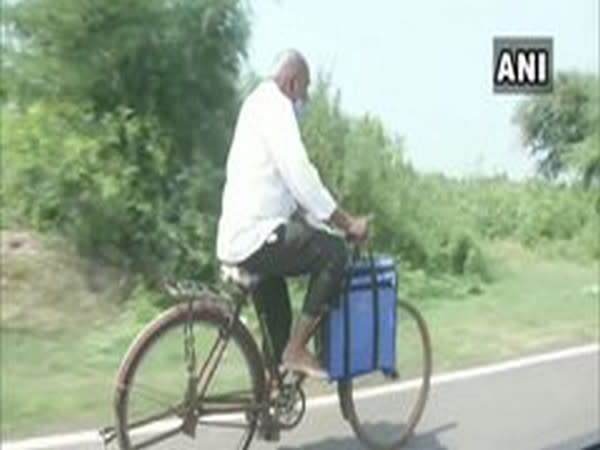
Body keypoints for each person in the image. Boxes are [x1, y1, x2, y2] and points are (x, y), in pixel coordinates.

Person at [216, 49, 369, 379]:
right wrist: (347, 223)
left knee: (279, 324)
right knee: (334, 254)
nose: (306, 99)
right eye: (305, 89)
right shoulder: (276, 107)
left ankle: (269, 396)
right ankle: (298, 349)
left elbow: (291, 195)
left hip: (244, 236)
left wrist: (325, 220)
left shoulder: (256, 104)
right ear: (291, 81)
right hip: (255, 236)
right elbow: (301, 175)